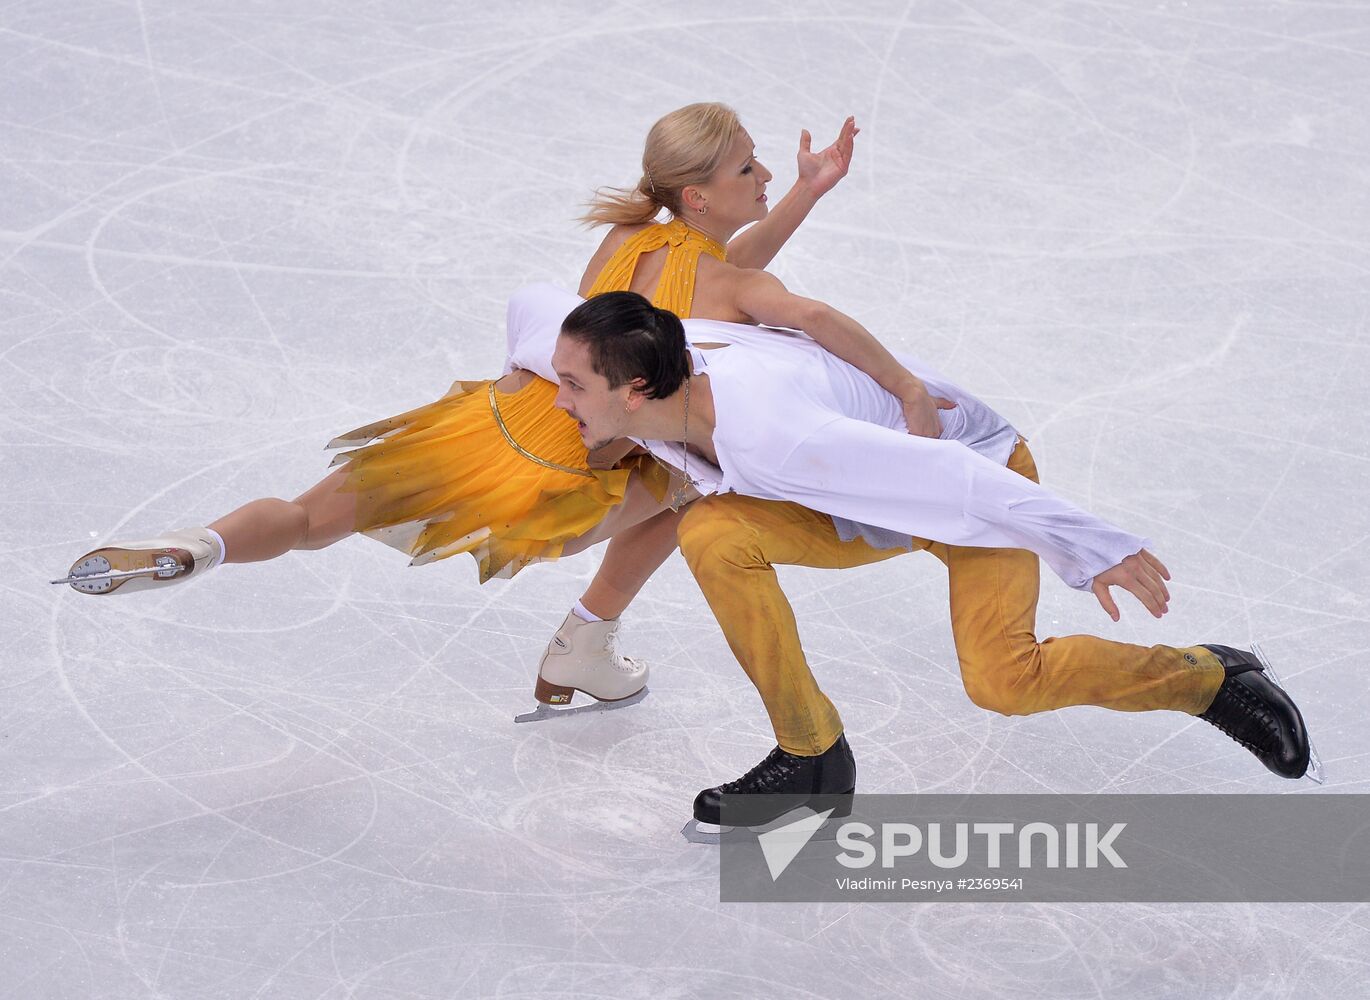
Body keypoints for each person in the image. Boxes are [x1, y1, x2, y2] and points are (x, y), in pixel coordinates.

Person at [52, 104, 951, 714]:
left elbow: (726, 256)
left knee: (306, 518)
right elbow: (805, 311)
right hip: (565, 476)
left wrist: (806, 188)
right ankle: (584, 645)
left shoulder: (629, 236)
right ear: (698, 193)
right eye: (747, 165)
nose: (763, 172)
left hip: (485, 426)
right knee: (700, 493)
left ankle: (197, 546)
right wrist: (908, 389)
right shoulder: (735, 283)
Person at [504, 283, 1313, 826]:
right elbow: (535, 303)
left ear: (635, 392)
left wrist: (1096, 546)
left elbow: (953, 477)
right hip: (863, 494)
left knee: (1004, 681)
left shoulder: (777, 436)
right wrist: (518, 367)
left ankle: (1209, 677)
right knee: (713, 531)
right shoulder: (633, 364)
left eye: (571, 386)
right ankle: (811, 756)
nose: (558, 395)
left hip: (973, 478)